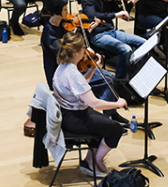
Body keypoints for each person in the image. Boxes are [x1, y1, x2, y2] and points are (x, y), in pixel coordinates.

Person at [53, 31, 127, 178]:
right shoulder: (73, 74)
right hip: (74, 119)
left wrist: (93, 68)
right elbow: (95, 103)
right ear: (76, 52)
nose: (85, 51)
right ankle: (94, 161)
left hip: (68, 113)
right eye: (83, 48)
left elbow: (82, 85)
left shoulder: (64, 65)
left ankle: (89, 160)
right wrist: (117, 104)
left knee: (105, 123)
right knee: (116, 129)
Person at [82, 0, 146, 80]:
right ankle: (120, 80)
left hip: (111, 31)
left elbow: (120, 11)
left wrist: (134, 1)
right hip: (98, 35)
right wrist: (115, 15)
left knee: (144, 43)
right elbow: (93, 15)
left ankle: (136, 74)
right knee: (126, 49)